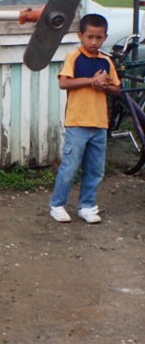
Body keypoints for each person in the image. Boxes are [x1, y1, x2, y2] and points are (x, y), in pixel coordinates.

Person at [49, 13, 120, 224]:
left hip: (99, 124)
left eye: (99, 38)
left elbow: (116, 89)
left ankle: (87, 206)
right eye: (90, 37)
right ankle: (57, 205)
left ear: (105, 38)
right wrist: (91, 81)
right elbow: (64, 83)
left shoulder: (106, 61)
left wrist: (103, 85)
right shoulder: (74, 57)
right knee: (70, 167)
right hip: (77, 122)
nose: (94, 42)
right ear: (80, 35)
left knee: (95, 169)